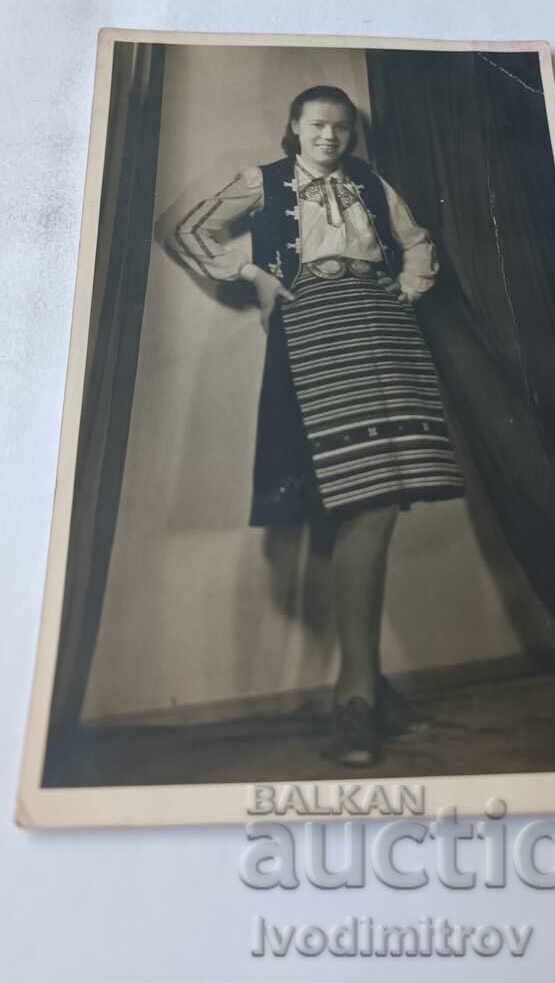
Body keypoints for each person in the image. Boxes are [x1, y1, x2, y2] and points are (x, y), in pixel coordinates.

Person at [168, 84, 464, 766]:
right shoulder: (263, 181)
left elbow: (416, 243)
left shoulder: (370, 182)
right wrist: (251, 274)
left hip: (383, 324)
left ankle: (363, 687)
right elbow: (189, 231)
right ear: (293, 129)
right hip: (315, 327)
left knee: (384, 494)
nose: (330, 137)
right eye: (317, 126)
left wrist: (408, 288)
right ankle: (356, 693)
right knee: (360, 496)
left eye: (340, 127)